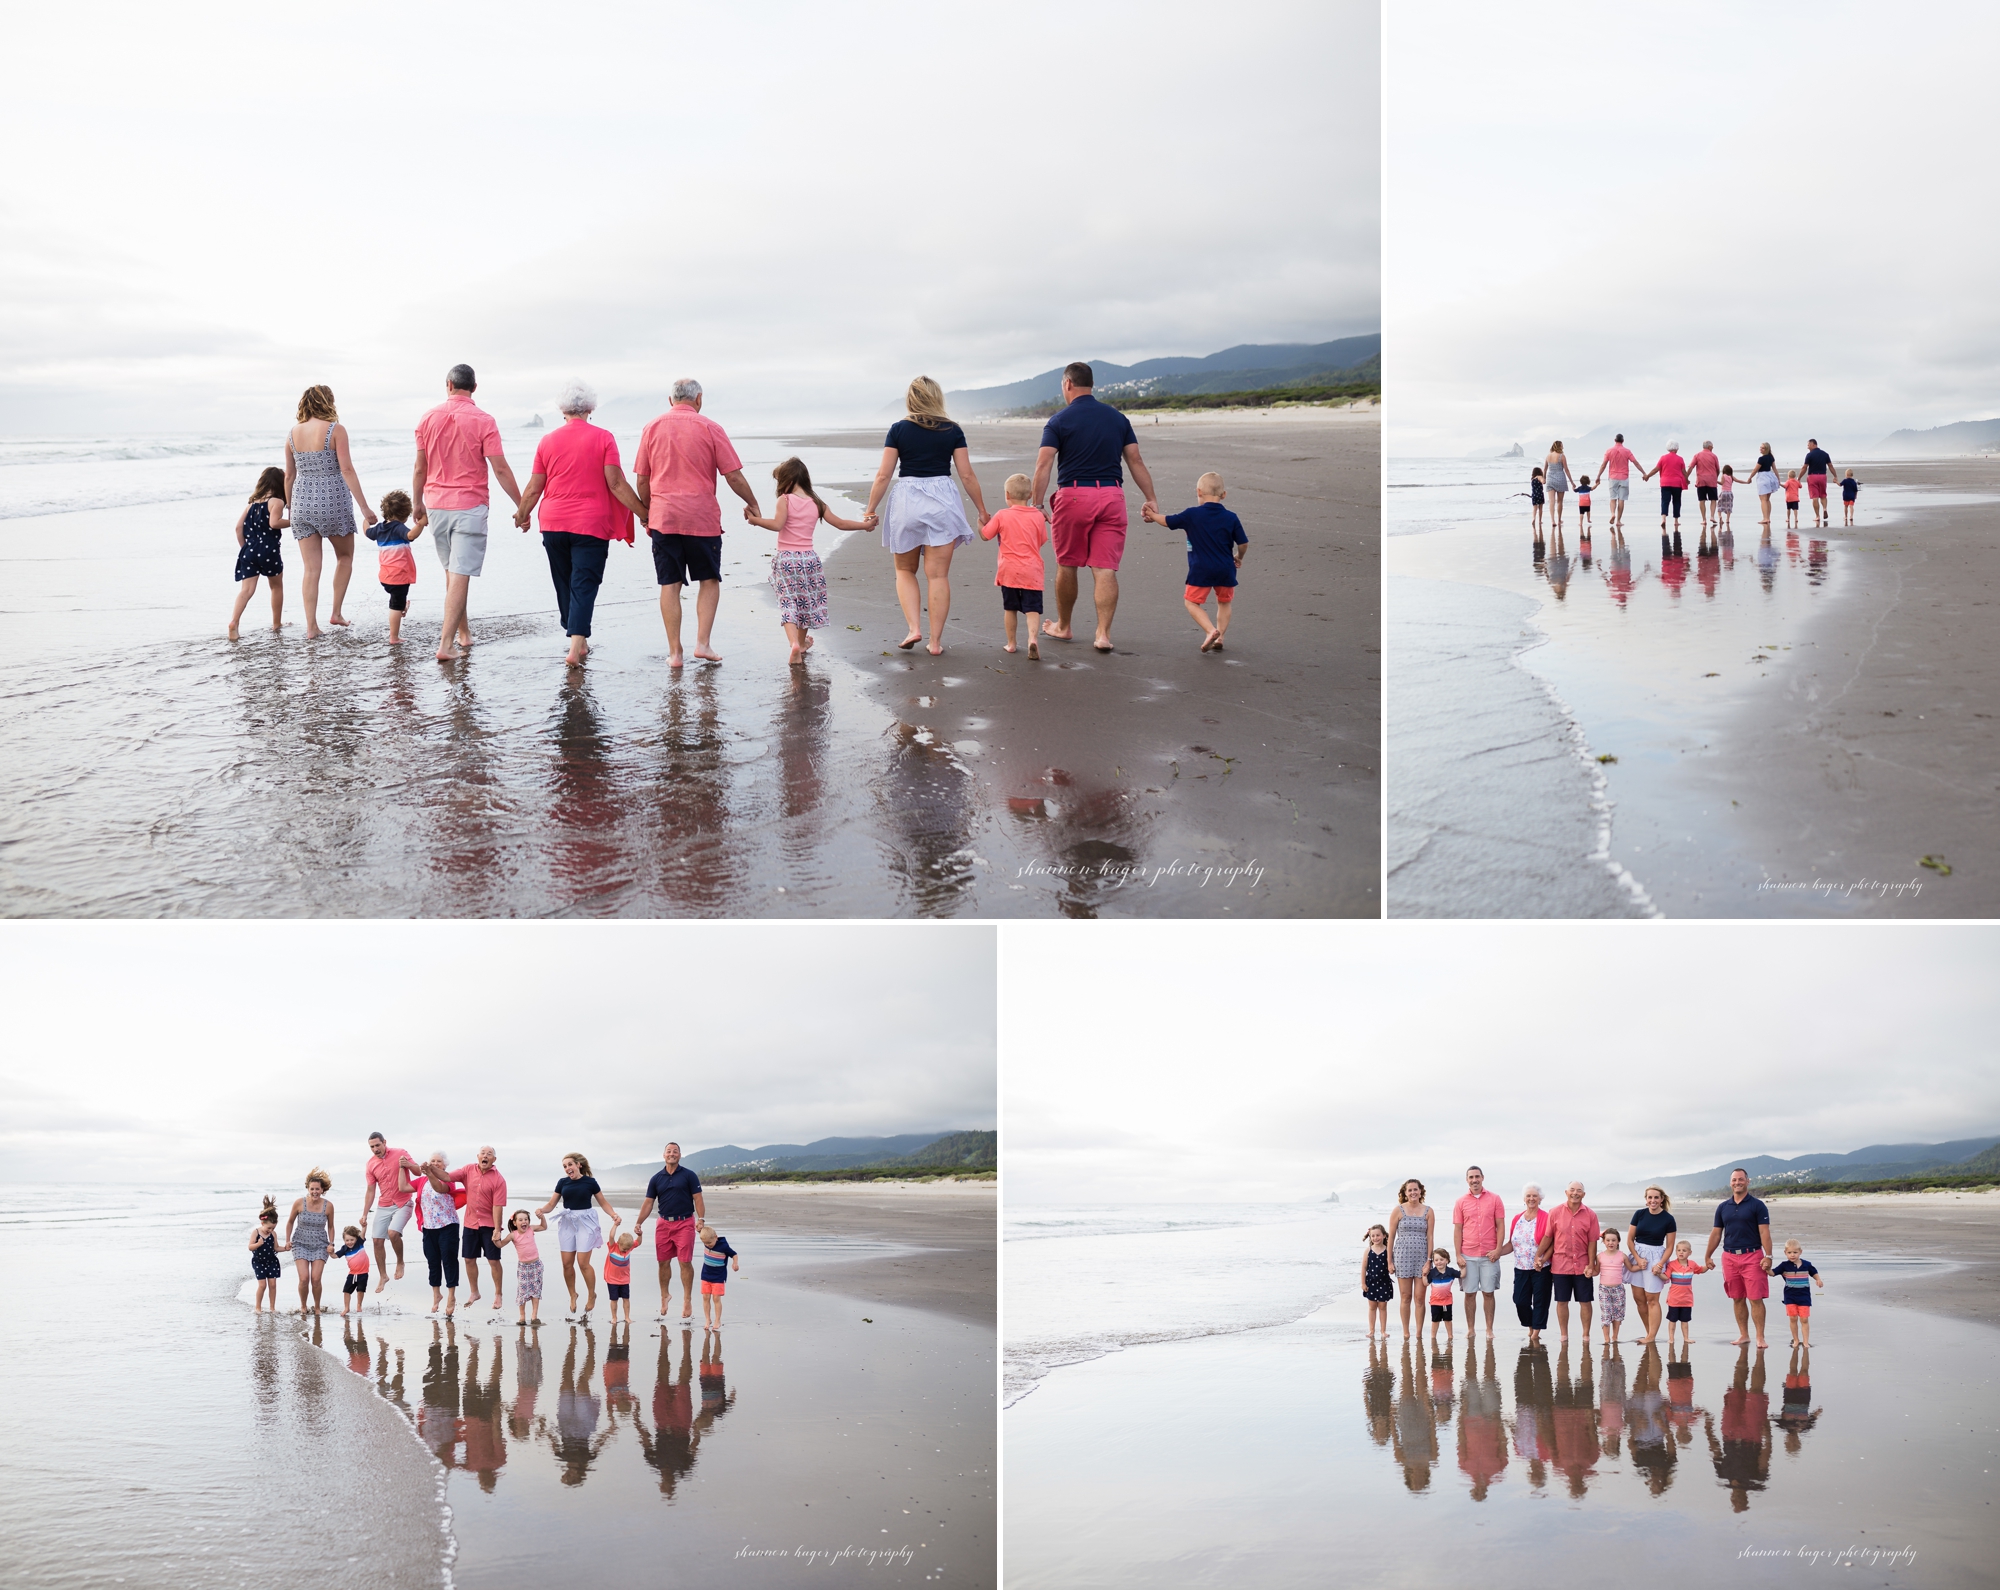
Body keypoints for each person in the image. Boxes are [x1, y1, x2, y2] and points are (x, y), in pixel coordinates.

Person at [512, 378, 646, 668]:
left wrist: (522, 514)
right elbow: (616, 483)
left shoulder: (547, 441)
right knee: (584, 582)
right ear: (590, 408)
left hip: (553, 523)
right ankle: (575, 648)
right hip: (591, 523)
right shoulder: (604, 438)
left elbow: (535, 487)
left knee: (564, 583)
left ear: (562, 409)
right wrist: (643, 512)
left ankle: (578, 640)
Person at [1030, 363, 1161, 652]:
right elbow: (1135, 460)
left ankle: (1064, 626)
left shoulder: (1058, 420)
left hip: (1074, 496)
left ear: (1067, 384)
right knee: (1105, 569)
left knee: (1067, 563)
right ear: (1091, 384)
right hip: (1112, 496)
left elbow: (1044, 464)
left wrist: (1037, 504)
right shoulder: (1117, 418)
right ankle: (1103, 635)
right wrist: (1150, 497)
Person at [632, 378, 760, 668]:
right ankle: (702, 643)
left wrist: (649, 511)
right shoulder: (711, 427)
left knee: (670, 583)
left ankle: (675, 653)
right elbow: (733, 475)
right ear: (699, 399)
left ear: (670, 400)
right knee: (709, 579)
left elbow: (642, 479)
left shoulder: (651, 427)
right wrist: (753, 502)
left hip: (664, 518)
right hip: (702, 518)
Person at [864, 376, 987, 656]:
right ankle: (935, 642)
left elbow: (883, 475)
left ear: (911, 399)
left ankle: (913, 629)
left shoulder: (898, 429)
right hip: (942, 500)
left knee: (905, 570)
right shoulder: (953, 430)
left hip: (908, 500)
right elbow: (967, 474)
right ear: (937, 398)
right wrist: (982, 510)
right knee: (938, 575)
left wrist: (870, 509)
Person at [412, 364, 522, 663]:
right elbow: (500, 468)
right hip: (469, 506)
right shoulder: (484, 420)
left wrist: (417, 502)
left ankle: (464, 634)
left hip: (436, 505)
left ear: (448, 384)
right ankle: (445, 644)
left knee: (453, 572)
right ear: (474, 387)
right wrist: (521, 505)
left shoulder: (427, 418)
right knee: (459, 574)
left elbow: (420, 467)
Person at [743, 457, 874, 664]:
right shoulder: (817, 503)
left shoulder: (785, 500)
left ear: (787, 480)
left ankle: (794, 643)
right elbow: (840, 524)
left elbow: (777, 525)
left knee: (788, 601)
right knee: (804, 602)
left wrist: (755, 520)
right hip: (810, 560)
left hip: (787, 559)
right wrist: (864, 525)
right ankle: (801, 644)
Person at [285, 385, 377, 638]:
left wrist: (291, 508)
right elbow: (346, 469)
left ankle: (311, 627)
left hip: (302, 503)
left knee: (311, 569)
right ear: (328, 402)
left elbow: (289, 476)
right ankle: (336, 612)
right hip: (333, 500)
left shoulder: (292, 434)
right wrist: (364, 507)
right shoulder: (336, 430)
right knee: (344, 557)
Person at [1141, 471, 1249, 652]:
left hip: (1201, 569)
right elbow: (1243, 543)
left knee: (1191, 602)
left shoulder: (1192, 514)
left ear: (1199, 492)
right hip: (1225, 568)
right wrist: (1239, 557)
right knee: (1224, 602)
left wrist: (1152, 515)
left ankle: (1210, 630)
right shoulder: (1231, 517)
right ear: (1224, 495)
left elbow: (1167, 521)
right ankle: (1220, 637)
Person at [535, 1153, 621, 1319]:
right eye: (565, 1166)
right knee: (567, 1264)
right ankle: (573, 1294)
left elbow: (603, 1202)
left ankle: (591, 1294)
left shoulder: (590, 1182)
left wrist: (613, 1215)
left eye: (570, 1165)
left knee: (583, 1263)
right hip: (567, 1223)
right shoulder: (562, 1182)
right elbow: (551, 1204)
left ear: (578, 1165)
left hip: (585, 1222)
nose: (567, 1168)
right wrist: (541, 1210)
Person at [633, 1142, 706, 1328]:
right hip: (663, 1223)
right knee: (663, 1262)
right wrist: (639, 1222)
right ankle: (664, 1295)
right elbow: (648, 1203)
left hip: (685, 1223)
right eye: (669, 1151)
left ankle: (687, 1299)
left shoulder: (689, 1175)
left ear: (680, 1155)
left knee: (685, 1262)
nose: (672, 1154)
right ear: (663, 1155)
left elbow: (698, 1198)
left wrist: (701, 1219)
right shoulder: (656, 1178)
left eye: (675, 1151)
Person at [978, 473, 1051, 657]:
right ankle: (1032, 639)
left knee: (1010, 608)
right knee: (1032, 609)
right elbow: (1042, 540)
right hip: (1032, 570)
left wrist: (980, 523)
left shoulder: (1002, 515)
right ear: (1030, 495)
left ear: (1007, 495)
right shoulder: (1037, 516)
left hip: (1009, 570)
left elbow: (986, 535)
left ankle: (1011, 643)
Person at [1703, 1168, 1774, 1349]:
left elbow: (1764, 1232)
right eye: (1734, 1180)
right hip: (1729, 1257)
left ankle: (1760, 1337)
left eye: (1741, 1179)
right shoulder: (1723, 1207)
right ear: (1730, 1183)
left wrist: (1768, 1256)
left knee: (1755, 1298)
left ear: (1747, 1181)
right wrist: (1708, 1255)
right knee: (1737, 1297)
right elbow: (1716, 1233)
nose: (1737, 1183)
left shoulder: (1757, 1205)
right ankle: (1744, 1335)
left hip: (1753, 1256)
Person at [228, 467, 290, 640]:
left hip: (249, 550)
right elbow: (274, 523)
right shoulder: (276, 502)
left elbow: (238, 528)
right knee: (276, 587)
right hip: (269, 550)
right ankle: (276, 624)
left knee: (246, 590)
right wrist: (295, 521)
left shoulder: (251, 504)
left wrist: (245, 549)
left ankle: (234, 622)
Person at [449, 1146, 509, 1318]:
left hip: (489, 1225)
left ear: (494, 1160)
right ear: (477, 1156)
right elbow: (447, 1177)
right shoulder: (468, 1170)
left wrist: (497, 1229)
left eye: (489, 1154)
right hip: (470, 1223)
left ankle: (498, 1294)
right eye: (483, 1153)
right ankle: (474, 1292)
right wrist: (431, 1170)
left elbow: (498, 1206)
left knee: (493, 1260)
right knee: (469, 1259)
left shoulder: (499, 1179)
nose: (485, 1156)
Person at [408, 1150, 466, 1320]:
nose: (435, 1163)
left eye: (438, 1161)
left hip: (448, 1225)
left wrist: (429, 1173)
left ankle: (451, 1295)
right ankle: (436, 1294)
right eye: (432, 1161)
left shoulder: (448, 1179)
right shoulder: (422, 1180)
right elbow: (402, 1187)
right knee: (432, 1261)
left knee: (448, 1260)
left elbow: (439, 1189)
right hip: (429, 1227)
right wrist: (402, 1166)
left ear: (444, 1165)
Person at [1541, 1181, 1600, 1343]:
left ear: (1583, 1194)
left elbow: (1592, 1242)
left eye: (1579, 1190)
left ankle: (1586, 1335)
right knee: (1562, 1301)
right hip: (1560, 1264)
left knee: (1585, 1301)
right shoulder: (1554, 1212)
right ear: (1566, 1192)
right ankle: (1564, 1335)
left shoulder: (1591, 1215)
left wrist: (1591, 1264)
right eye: (1572, 1190)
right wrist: (1539, 1256)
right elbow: (1548, 1237)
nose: (1575, 1193)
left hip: (1583, 1265)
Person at [1451, 1166, 1507, 1337]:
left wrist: (1498, 1250)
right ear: (1467, 1180)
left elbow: (1500, 1226)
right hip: (1468, 1255)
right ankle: (1471, 1329)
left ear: (1482, 1177)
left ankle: (1489, 1329)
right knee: (1469, 1294)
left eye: (1477, 1176)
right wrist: (1458, 1255)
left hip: (1489, 1255)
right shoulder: (1460, 1202)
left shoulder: (1495, 1199)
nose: (1474, 1180)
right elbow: (1458, 1229)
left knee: (1488, 1293)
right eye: (1471, 1177)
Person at [365, 490, 423, 644]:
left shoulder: (379, 528)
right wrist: (422, 522)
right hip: (399, 576)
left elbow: (367, 532)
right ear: (405, 514)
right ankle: (394, 637)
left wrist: (366, 520)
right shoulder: (398, 527)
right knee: (395, 606)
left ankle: (402, 606)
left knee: (397, 600)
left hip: (386, 576)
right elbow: (411, 535)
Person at [360, 1132, 414, 1290]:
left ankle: (400, 1262)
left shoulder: (400, 1153)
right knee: (377, 1240)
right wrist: (364, 1214)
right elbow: (371, 1191)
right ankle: (383, 1275)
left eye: (377, 1145)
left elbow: (418, 1171)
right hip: (384, 1204)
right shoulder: (370, 1165)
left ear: (384, 1142)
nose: (375, 1149)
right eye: (372, 1147)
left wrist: (408, 1164)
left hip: (403, 1202)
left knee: (393, 1233)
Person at [1626, 1186, 1677, 1345]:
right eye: (1650, 1197)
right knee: (1639, 1299)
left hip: (1656, 1257)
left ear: (1661, 1199)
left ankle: (1651, 1336)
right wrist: (1638, 1258)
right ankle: (1649, 1333)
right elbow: (1630, 1240)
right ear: (1646, 1199)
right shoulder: (1639, 1214)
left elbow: (1670, 1246)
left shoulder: (1668, 1219)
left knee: (1652, 1299)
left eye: (1656, 1197)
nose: (1653, 1200)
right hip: (1638, 1256)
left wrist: (1660, 1264)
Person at [1387, 1178, 1436, 1337]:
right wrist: (1389, 1261)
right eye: (1410, 1190)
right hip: (1402, 1257)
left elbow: (1430, 1237)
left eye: (1416, 1189)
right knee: (1405, 1296)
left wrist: (1429, 1261)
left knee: (1420, 1298)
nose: (1413, 1192)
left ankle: (1419, 1333)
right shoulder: (1398, 1210)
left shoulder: (1429, 1211)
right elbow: (1391, 1237)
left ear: (1420, 1191)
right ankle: (1406, 1333)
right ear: (1405, 1193)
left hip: (1422, 1258)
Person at [284, 1169, 335, 1317]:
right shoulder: (299, 1203)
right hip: (300, 1243)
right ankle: (303, 1306)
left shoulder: (328, 1206)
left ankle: (317, 1308)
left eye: (317, 1189)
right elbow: (290, 1222)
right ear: (308, 1189)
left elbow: (331, 1226)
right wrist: (287, 1240)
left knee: (316, 1279)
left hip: (320, 1244)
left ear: (322, 1190)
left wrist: (331, 1243)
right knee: (304, 1278)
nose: (314, 1192)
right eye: (312, 1189)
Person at [1508, 1184, 1553, 1345]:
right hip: (1520, 1267)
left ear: (1540, 1199)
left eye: (1535, 1196)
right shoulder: (1517, 1219)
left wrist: (1542, 1259)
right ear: (1524, 1198)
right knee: (1520, 1300)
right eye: (1528, 1196)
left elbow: (1552, 1243)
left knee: (1540, 1301)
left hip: (1541, 1268)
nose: (1531, 1198)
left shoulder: (1546, 1217)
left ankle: (1535, 1333)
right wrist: (1496, 1252)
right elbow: (1511, 1244)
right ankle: (1530, 1325)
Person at [498, 1208, 547, 1326]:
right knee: (522, 1291)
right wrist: (495, 1237)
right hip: (523, 1268)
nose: (524, 1221)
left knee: (536, 1291)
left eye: (526, 1219)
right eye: (520, 1220)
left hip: (536, 1265)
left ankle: (534, 1316)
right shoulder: (513, 1235)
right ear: (515, 1223)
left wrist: (542, 1217)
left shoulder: (531, 1229)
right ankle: (522, 1317)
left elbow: (543, 1227)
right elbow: (500, 1244)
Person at [1771, 1240, 1824, 1346]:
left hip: (1804, 1296)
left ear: (1800, 1252)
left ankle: (1805, 1342)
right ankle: (1796, 1340)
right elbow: (1772, 1273)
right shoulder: (1784, 1265)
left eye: (1795, 1252)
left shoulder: (1807, 1264)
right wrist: (1766, 1268)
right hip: (1790, 1296)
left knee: (1804, 1319)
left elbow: (1814, 1272)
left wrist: (1818, 1279)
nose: (1792, 1255)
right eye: (1789, 1252)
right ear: (1785, 1253)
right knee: (1793, 1318)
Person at [1642, 441, 1690, 549]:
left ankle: (1663, 518)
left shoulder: (1663, 458)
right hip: (1677, 483)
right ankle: (1676, 521)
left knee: (1665, 501)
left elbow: (1656, 469)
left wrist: (1648, 476)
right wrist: (1687, 480)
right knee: (1676, 501)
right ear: (1676, 448)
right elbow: (1684, 472)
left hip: (1665, 483)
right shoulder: (1680, 459)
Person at [1663, 1240, 1708, 1348]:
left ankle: (1686, 1338)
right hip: (1674, 1299)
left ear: (1690, 1252)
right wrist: (1657, 1274)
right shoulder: (1672, 1264)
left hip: (1687, 1299)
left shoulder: (1692, 1264)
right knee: (1672, 1320)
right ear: (1676, 1252)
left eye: (1684, 1250)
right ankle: (1671, 1338)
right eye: (1679, 1250)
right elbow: (1666, 1276)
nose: (1681, 1252)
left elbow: (1701, 1270)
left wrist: (1708, 1265)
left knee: (1685, 1320)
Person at [697, 1223, 740, 1329]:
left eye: (709, 1243)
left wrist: (735, 1263)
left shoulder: (723, 1246)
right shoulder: (706, 1240)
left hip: (718, 1277)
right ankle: (707, 1319)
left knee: (716, 1298)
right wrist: (698, 1226)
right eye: (705, 1243)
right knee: (705, 1297)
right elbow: (702, 1232)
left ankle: (717, 1320)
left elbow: (734, 1254)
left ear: (716, 1237)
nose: (708, 1245)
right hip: (706, 1275)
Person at [1597, 433, 1640, 533]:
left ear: (1614, 440)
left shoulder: (1609, 451)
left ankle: (1612, 513)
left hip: (1613, 477)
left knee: (1613, 498)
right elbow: (1636, 463)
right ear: (1623, 441)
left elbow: (1603, 465)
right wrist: (1644, 473)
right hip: (1624, 478)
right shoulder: (1627, 451)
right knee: (1621, 500)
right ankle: (1618, 521)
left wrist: (1598, 476)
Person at [250, 1196, 285, 1312]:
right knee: (262, 1285)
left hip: (271, 1261)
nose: (270, 1230)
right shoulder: (256, 1232)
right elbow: (250, 1247)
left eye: (273, 1228)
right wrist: (258, 1244)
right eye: (269, 1228)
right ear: (262, 1223)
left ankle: (272, 1308)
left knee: (273, 1284)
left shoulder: (273, 1234)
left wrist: (285, 1248)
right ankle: (258, 1308)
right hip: (259, 1262)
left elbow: (276, 1248)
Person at [603, 1229, 643, 1324]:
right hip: (612, 1280)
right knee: (614, 1299)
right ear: (618, 1243)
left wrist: (640, 1235)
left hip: (624, 1280)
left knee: (626, 1299)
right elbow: (611, 1236)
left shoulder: (629, 1247)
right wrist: (615, 1225)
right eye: (624, 1249)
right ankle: (614, 1317)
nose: (625, 1251)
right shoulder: (613, 1247)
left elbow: (638, 1242)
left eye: (627, 1249)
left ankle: (627, 1317)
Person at [1596, 1231, 1628, 1345]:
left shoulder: (1622, 1256)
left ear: (1618, 1241)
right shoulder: (1600, 1256)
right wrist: (1588, 1271)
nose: (1611, 1243)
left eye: (1613, 1240)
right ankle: (1606, 1339)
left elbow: (1631, 1268)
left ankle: (1615, 1337)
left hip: (1618, 1289)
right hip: (1604, 1289)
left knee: (1617, 1314)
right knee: (1606, 1314)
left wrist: (1641, 1265)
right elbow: (1596, 1272)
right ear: (1604, 1242)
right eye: (1608, 1240)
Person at [1362, 1224, 1394, 1336]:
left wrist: (1392, 1269)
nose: (1375, 1238)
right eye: (1373, 1236)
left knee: (1383, 1307)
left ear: (1384, 1235)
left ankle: (1383, 1331)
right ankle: (1371, 1330)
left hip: (1384, 1282)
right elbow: (1364, 1268)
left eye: (1378, 1235)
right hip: (1371, 1283)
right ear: (1370, 1237)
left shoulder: (1388, 1251)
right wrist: (1363, 1283)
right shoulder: (1368, 1251)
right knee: (1372, 1307)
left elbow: (1391, 1265)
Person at [1425, 1249, 1460, 1345]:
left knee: (1448, 1319)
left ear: (1447, 1260)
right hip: (1435, 1302)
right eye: (1436, 1260)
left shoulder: (1450, 1271)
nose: (1439, 1262)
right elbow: (1425, 1283)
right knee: (1435, 1320)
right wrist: (1424, 1275)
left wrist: (1463, 1267)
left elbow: (1462, 1275)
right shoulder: (1432, 1272)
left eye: (1441, 1259)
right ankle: (1433, 1337)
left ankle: (1450, 1336)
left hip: (1447, 1301)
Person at [1542, 441, 1576, 532]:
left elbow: (1545, 469)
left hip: (1550, 479)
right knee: (1560, 501)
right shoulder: (1562, 456)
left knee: (1551, 501)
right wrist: (1572, 482)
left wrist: (1544, 478)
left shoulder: (1548, 456)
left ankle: (1552, 520)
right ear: (1559, 446)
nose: (1563, 447)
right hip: (1560, 478)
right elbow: (1566, 470)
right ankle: (1559, 520)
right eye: (1562, 446)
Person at [1800, 438, 1835, 527]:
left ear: (1814, 444)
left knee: (1814, 497)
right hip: (1822, 476)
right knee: (1823, 495)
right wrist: (1835, 476)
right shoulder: (1825, 454)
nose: (1807, 447)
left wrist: (1799, 478)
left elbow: (1804, 467)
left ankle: (1817, 516)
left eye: (1808, 445)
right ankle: (1825, 508)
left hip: (1812, 477)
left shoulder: (1809, 455)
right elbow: (1830, 466)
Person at [335, 1225, 368, 1316]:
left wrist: (364, 1226)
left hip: (363, 1273)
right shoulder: (344, 1249)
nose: (349, 1242)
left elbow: (363, 1233)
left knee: (360, 1290)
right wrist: (330, 1252)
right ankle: (346, 1308)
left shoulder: (359, 1243)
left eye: (352, 1240)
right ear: (344, 1240)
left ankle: (359, 1305)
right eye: (347, 1240)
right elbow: (335, 1256)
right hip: (352, 1274)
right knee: (346, 1291)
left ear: (356, 1239)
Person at [1689, 440, 1723, 532]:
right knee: (1713, 499)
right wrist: (1715, 477)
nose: (1713, 448)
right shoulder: (1714, 456)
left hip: (1701, 480)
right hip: (1711, 480)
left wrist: (1686, 477)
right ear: (1709, 447)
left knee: (1702, 500)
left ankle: (1704, 519)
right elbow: (1718, 469)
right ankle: (1712, 516)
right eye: (1712, 447)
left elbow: (1691, 467)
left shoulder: (1697, 455)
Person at [1748, 442, 1781, 528]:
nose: (1760, 449)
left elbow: (1755, 469)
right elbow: (1775, 469)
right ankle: (1768, 518)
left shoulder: (1761, 459)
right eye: (1760, 448)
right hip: (1770, 476)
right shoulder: (1771, 457)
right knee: (1767, 499)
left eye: (1762, 448)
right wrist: (1778, 478)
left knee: (1763, 499)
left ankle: (1765, 518)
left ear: (1766, 449)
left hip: (1763, 478)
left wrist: (1750, 477)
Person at [1718, 466, 1737, 532]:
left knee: (1719, 505)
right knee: (1729, 506)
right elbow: (1738, 480)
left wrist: (1715, 481)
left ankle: (1720, 516)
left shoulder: (1723, 476)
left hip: (1723, 492)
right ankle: (1727, 519)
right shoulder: (1731, 477)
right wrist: (1746, 482)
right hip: (1729, 493)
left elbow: (1721, 483)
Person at [1529, 466, 1545, 535]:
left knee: (1534, 508)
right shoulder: (1539, 477)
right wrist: (1544, 479)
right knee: (1540, 508)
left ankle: (1533, 518)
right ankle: (1540, 520)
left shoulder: (1533, 479)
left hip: (1534, 495)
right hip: (1540, 494)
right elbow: (1543, 482)